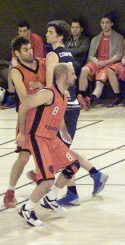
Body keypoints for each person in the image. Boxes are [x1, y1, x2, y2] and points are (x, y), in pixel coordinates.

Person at [43, 20, 108, 206]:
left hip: (61, 107)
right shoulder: (69, 54)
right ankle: (92, 177)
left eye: (50, 32)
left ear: (60, 36)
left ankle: (82, 184)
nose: (47, 35)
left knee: (62, 152)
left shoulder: (53, 55)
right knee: (64, 150)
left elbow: (50, 86)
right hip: (72, 106)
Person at [16, 63, 79, 226]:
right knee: (47, 181)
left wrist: (64, 131)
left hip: (52, 137)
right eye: (73, 74)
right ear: (64, 76)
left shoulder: (64, 95)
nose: (75, 77)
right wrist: (21, 133)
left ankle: (52, 198)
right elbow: (23, 107)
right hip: (38, 137)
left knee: (73, 165)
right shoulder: (47, 93)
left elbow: (58, 115)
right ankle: (27, 209)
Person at [3, 36, 46, 208]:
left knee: (49, 152)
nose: (30, 52)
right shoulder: (16, 71)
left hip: (44, 116)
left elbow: (52, 86)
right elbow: (23, 99)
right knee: (23, 157)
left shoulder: (43, 63)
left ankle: (38, 174)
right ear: (17, 53)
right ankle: (9, 191)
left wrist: (42, 86)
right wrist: (42, 93)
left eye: (30, 48)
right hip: (27, 118)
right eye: (26, 50)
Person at [77, 14, 124, 108]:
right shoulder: (96, 38)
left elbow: (119, 56)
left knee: (99, 82)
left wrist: (105, 63)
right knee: (84, 70)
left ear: (111, 24)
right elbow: (91, 56)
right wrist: (96, 61)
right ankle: (81, 96)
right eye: (102, 23)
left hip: (109, 63)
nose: (104, 25)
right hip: (97, 62)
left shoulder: (118, 38)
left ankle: (90, 99)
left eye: (107, 23)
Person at [5, 20, 47, 107]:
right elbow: (14, 59)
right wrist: (18, 68)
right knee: (12, 68)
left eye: (24, 31)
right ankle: (12, 95)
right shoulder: (16, 42)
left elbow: (37, 58)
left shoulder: (36, 39)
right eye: (20, 31)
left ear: (29, 31)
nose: (22, 33)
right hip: (29, 104)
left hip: (36, 63)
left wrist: (44, 86)